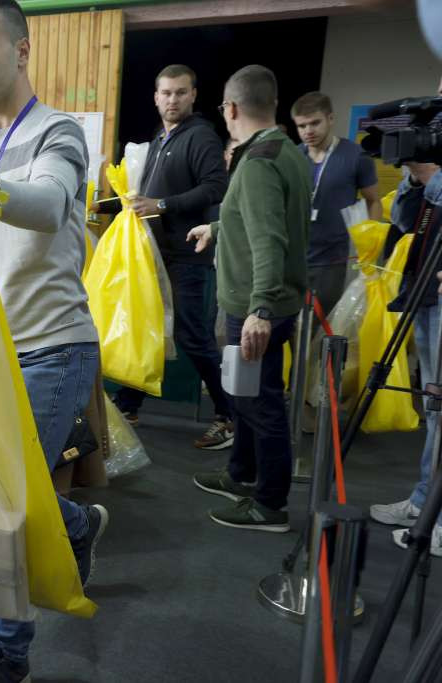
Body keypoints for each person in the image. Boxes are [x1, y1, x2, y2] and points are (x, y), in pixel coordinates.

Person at [0, 2, 107, 680]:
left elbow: (47, 207)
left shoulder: (58, 131)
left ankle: (6, 655)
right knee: (8, 496)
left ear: (22, 50)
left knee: (4, 505)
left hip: (53, 346)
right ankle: (75, 524)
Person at [187, 65, 311, 533]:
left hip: (256, 308)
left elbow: (270, 240)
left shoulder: (257, 161)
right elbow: (261, 219)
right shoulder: (285, 151)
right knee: (246, 396)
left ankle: (269, 503)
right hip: (268, 302)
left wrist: (259, 309)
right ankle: (241, 475)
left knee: (260, 403)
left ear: (231, 108)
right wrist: (217, 228)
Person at [105, 64, 232, 449]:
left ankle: (227, 417)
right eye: (166, 93)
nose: (172, 99)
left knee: (193, 336)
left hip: (185, 257)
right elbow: (145, 196)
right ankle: (128, 406)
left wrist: (161, 204)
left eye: (180, 92)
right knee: (148, 328)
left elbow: (215, 187)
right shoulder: (160, 139)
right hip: (153, 255)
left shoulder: (201, 137)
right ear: (156, 97)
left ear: (193, 95)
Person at [369, 154, 441, 557]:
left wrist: (434, 177)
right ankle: (424, 502)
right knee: (435, 409)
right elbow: (402, 220)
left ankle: (438, 521)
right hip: (428, 288)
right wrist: (415, 181)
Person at [291, 91, 381, 315]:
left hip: (332, 258)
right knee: (288, 327)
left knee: (322, 327)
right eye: (301, 126)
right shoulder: (291, 157)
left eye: (315, 123)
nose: (308, 131)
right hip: (292, 256)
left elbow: (373, 200)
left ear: (330, 118)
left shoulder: (355, 155)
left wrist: (370, 246)